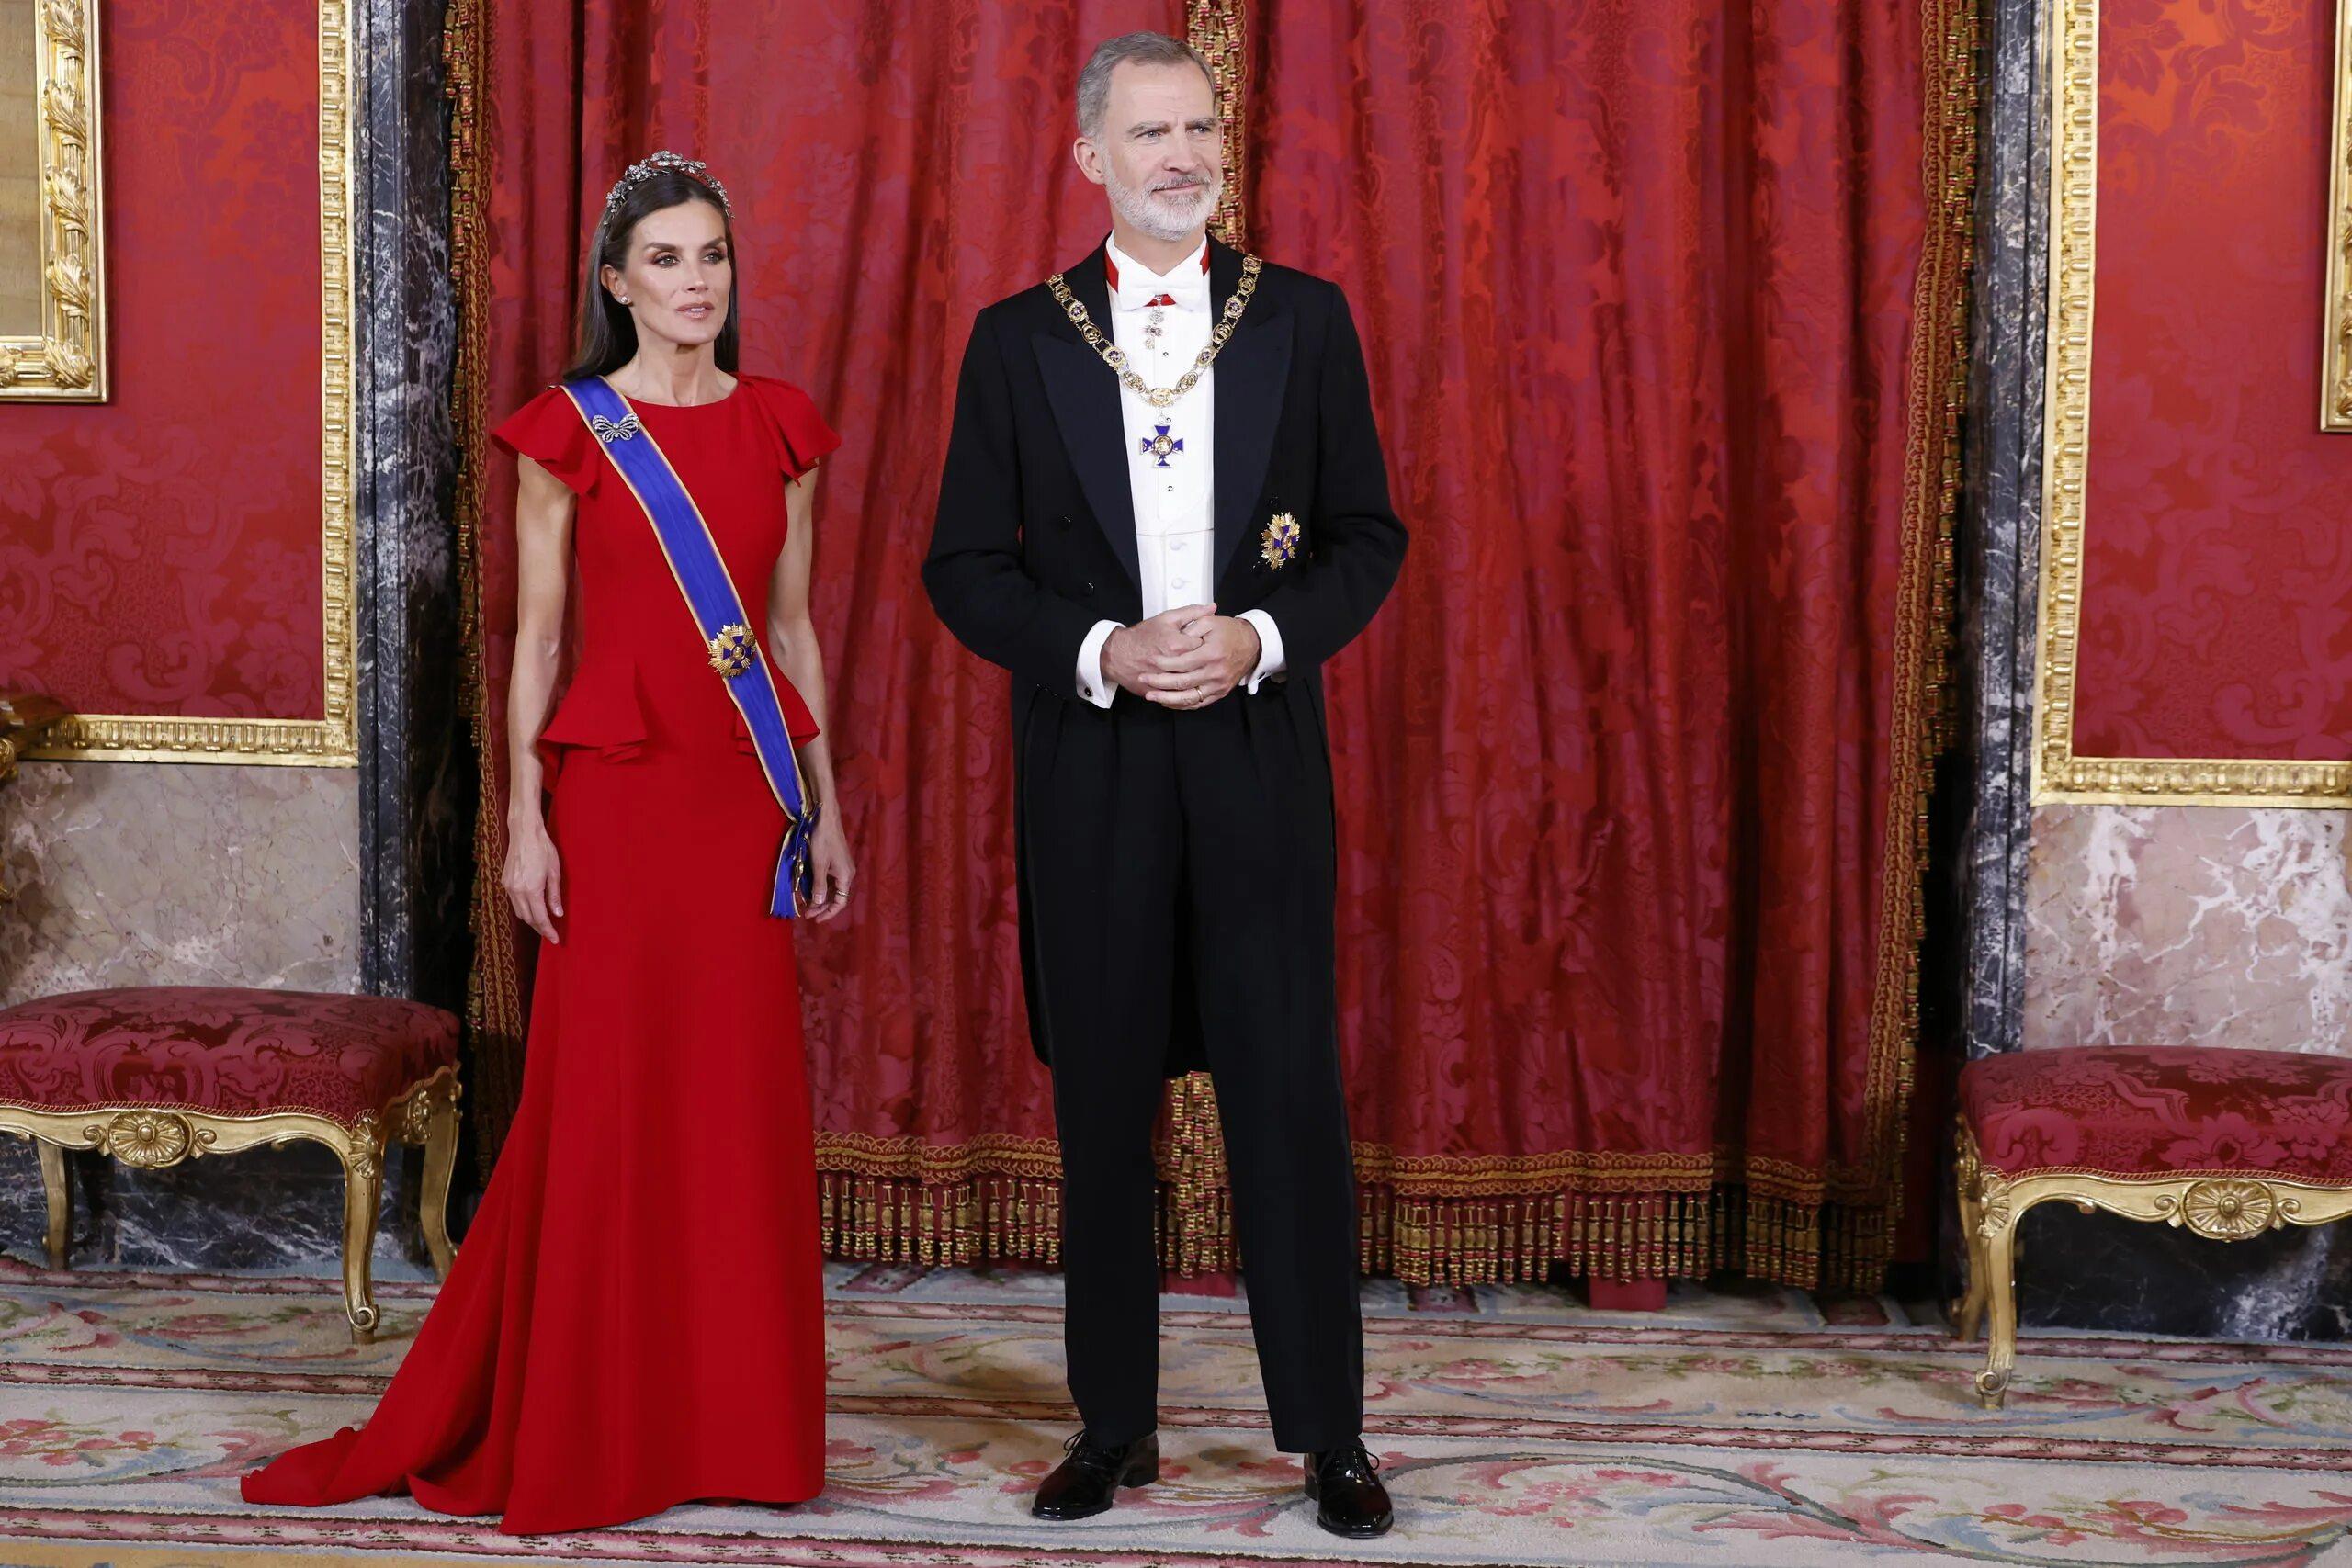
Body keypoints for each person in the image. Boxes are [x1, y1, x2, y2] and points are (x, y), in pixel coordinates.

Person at [242, 151, 854, 1534]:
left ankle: (736, 1429)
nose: (696, 283)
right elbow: (534, 642)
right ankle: (594, 1417)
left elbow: (794, 630)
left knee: (732, 1106)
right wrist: (525, 819)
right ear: (615, 283)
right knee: (611, 1100)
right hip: (620, 800)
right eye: (666, 261)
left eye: (713, 257)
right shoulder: (571, 431)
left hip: (743, 798)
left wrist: (823, 801)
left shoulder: (781, 426)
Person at [922, 32, 1407, 1540]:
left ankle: (1329, 1436)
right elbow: (963, 568)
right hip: (1096, 765)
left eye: (1200, 127)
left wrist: (1261, 637)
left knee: (1287, 1099)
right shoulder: (1018, 339)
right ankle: (1113, 1424)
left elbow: (1366, 537)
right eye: (1151, 133)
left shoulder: (1303, 319)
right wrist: (1101, 650)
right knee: (1104, 1101)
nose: (1183, 155)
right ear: (1091, 158)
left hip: (1258, 756)